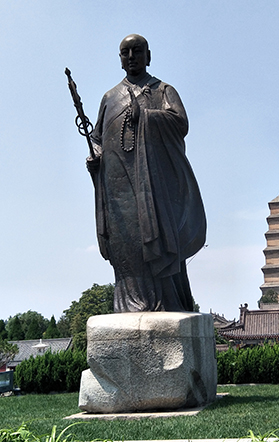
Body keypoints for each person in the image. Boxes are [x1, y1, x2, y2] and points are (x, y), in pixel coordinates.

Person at [86, 34, 206, 313]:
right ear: (120, 59)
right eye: (125, 52)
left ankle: (166, 302)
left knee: (157, 239)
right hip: (117, 185)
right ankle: (128, 303)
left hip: (153, 184)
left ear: (148, 56)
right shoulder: (109, 97)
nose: (131, 57)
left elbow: (180, 123)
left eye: (136, 51)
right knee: (125, 241)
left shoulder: (162, 90)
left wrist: (148, 117)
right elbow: (97, 137)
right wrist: (96, 156)